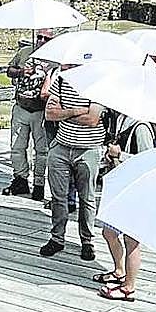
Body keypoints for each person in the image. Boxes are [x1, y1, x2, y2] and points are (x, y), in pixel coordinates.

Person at [40, 66, 106, 261]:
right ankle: (57, 238)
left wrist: (64, 112)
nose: (67, 65)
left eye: (71, 63)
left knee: (87, 198)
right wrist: (77, 110)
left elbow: (92, 119)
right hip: (62, 145)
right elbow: (49, 114)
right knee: (58, 197)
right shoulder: (60, 80)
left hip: (89, 148)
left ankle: (87, 241)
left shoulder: (99, 83)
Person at [95, 113, 156, 301]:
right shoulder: (119, 120)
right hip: (120, 186)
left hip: (137, 191)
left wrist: (119, 154)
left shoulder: (141, 127)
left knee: (132, 240)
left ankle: (129, 287)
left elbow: (149, 161)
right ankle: (119, 271)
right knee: (109, 233)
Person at [3, 29, 53, 200]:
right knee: (17, 147)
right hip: (21, 106)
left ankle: (39, 184)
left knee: (42, 150)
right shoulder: (25, 52)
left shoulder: (55, 58)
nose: (41, 40)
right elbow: (9, 70)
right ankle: (20, 179)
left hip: (41, 110)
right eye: (39, 36)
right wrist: (21, 72)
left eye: (46, 38)